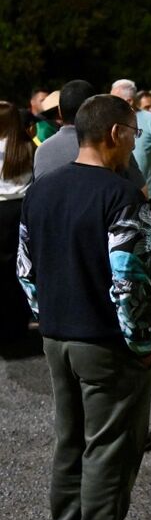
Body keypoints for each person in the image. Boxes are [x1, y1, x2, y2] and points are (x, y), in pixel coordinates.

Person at [18, 94, 151, 520]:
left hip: (57, 336)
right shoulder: (121, 196)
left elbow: (26, 270)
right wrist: (141, 343)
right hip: (105, 340)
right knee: (110, 446)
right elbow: (130, 279)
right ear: (116, 134)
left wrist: (50, 316)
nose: (135, 145)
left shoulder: (40, 191)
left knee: (70, 435)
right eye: (135, 134)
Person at [0, 101, 35, 341]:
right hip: (23, 209)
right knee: (23, 267)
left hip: (1, 209)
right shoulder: (27, 146)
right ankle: (21, 320)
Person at [110, 79, 151, 204]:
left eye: (114, 99)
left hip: (145, 195)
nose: (109, 103)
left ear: (129, 101)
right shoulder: (109, 120)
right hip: (117, 194)